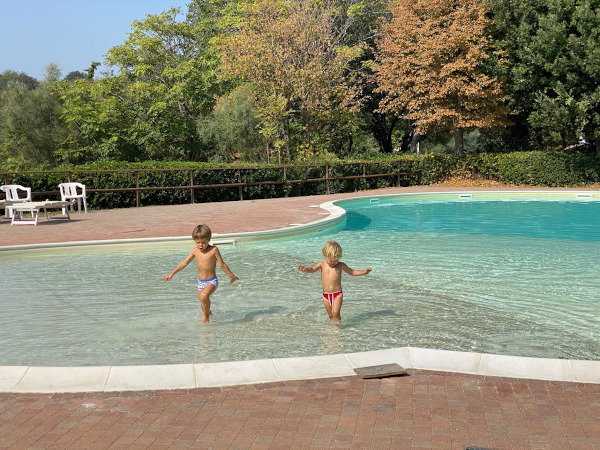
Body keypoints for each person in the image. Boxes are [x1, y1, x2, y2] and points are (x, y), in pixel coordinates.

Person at [163, 224, 238, 322]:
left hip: (212, 281)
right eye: (197, 242)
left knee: (204, 296)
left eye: (203, 242)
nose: (200, 245)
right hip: (200, 282)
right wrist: (172, 273)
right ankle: (211, 316)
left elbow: (222, 264)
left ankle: (205, 317)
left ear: (209, 240)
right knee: (203, 303)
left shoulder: (214, 250)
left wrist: (231, 276)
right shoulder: (195, 251)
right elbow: (184, 263)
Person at [297, 240, 371, 323]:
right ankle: (332, 330)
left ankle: (338, 330)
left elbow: (352, 271)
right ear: (325, 255)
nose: (333, 263)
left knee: (335, 313)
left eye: (336, 260)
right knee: (330, 315)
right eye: (331, 260)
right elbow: (312, 269)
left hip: (337, 294)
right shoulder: (321, 264)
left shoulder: (341, 265)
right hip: (326, 295)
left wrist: (363, 272)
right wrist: (306, 269)